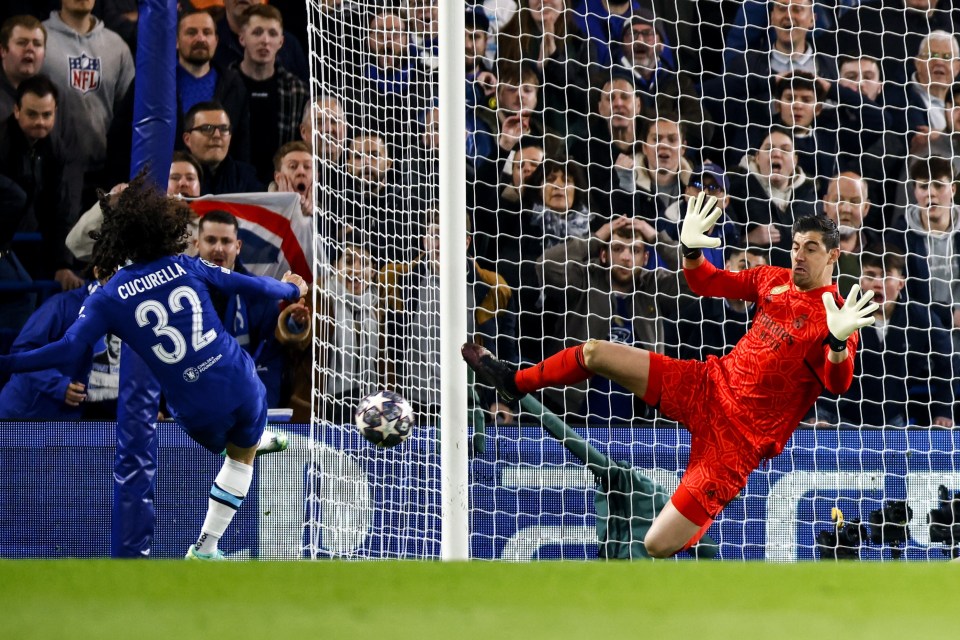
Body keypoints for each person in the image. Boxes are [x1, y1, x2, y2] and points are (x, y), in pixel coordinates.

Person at [462, 194, 878, 557]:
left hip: (737, 441)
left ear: (833, 255)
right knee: (595, 352)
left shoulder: (837, 314)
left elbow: (838, 384)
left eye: (811, 249)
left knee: (657, 544)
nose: (799, 256)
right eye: (795, 246)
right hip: (705, 385)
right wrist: (691, 250)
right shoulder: (773, 279)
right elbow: (707, 283)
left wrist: (839, 343)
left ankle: (702, 517)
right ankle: (512, 381)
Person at [0, 174, 307, 560]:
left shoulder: (107, 297)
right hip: (239, 385)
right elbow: (255, 286)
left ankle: (246, 452)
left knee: (229, 445)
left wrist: (8, 361)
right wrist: (292, 288)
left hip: (192, 412)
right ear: (163, 227)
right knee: (241, 444)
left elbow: (66, 349)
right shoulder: (185, 265)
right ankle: (207, 545)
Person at [815, 250, 956, 428]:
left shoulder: (921, 318)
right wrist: (814, 412)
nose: (877, 284)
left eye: (887, 276)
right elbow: (813, 361)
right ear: (861, 281)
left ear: (901, 283)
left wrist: (943, 411)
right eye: (870, 276)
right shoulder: (841, 312)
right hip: (835, 413)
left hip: (891, 416)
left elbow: (948, 363)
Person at [233, 3, 307, 185]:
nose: (265, 40)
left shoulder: (297, 90)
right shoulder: (224, 86)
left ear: (281, 41)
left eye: (272, 34)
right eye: (257, 32)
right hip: (233, 186)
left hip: (282, 189)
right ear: (242, 38)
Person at [175, 8, 250, 163]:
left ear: (216, 40)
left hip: (222, 183)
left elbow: (242, 145)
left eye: (207, 32)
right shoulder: (156, 84)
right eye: (191, 32)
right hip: (169, 179)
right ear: (176, 40)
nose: (200, 38)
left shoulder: (234, 84)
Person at [182, 100, 262, 195]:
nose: (217, 135)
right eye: (207, 129)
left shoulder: (246, 177)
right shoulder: (170, 175)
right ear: (187, 139)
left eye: (223, 129)